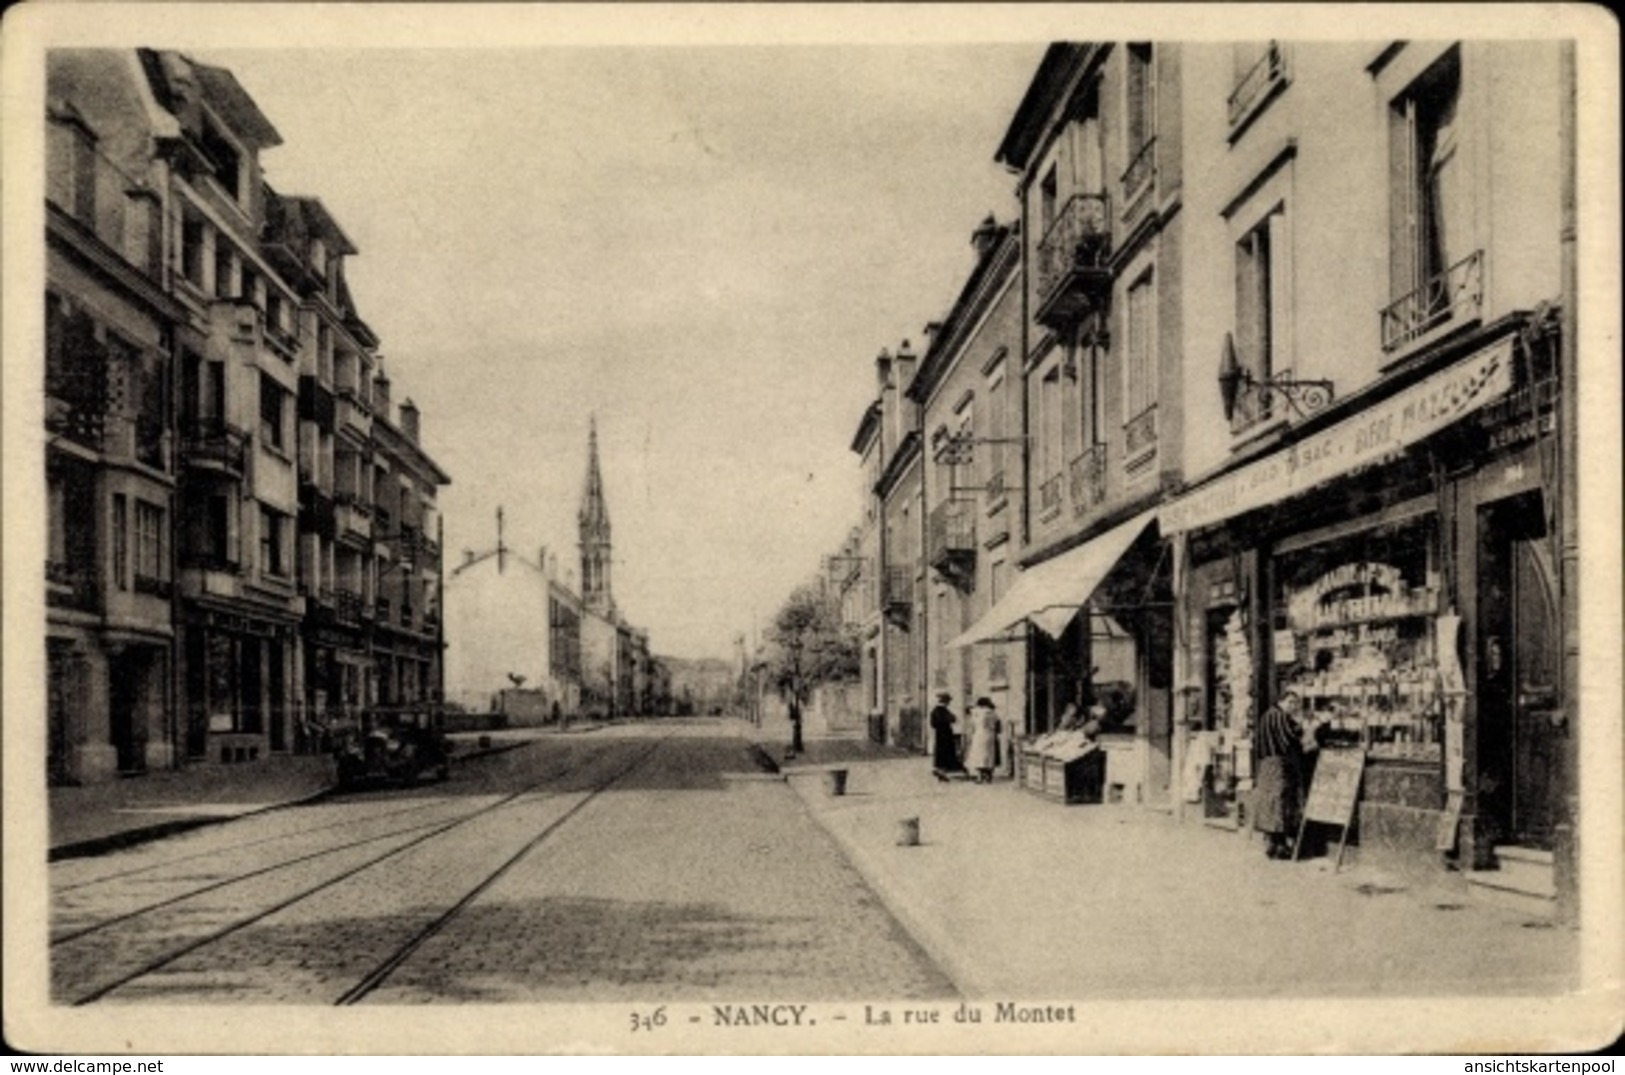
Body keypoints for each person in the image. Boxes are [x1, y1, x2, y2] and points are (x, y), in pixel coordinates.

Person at [1253, 688, 1317, 859]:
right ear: (1281, 701)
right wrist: (1308, 734)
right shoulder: (1278, 715)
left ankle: (1272, 843)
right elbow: (1288, 737)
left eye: (1296, 703)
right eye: (1291, 702)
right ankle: (1279, 846)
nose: (1293, 706)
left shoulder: (1268, 714)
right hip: (1278, 763)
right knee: (1280, 801)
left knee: (1270, 802)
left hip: (1266, 763)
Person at [965, 696, 1001, 784]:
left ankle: (980, 777)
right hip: (991, 735)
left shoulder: (976, 713)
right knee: (990, 755)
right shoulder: (993, 713)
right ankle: (989, 776)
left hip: (979, 734)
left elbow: (971, 722)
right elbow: (999, 727)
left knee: (978, 755)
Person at [928, 693, 964, 781]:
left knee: (940, 752)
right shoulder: (943, 710)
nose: (949, 703)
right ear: (946, 702)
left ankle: (941, 771)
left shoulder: (934, 711)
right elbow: (953, 719)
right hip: (946, 733)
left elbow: (932, 724)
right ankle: (942, 771)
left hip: (939, 734)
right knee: (947, 752)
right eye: (948, 701)